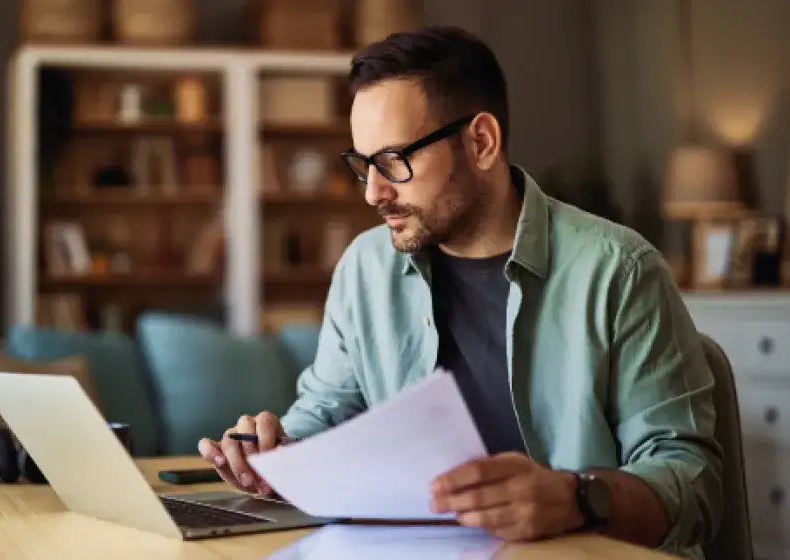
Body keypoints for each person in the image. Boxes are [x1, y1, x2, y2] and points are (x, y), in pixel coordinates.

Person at [198, 25, 722, 559]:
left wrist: (576, 499)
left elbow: (694, 484)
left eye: (394, 160)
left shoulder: (619, 270)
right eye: (363, 164)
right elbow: (327, 411)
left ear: (481, 142)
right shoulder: (365, 267)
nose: (374, 192)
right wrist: (275, 454)